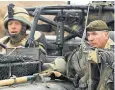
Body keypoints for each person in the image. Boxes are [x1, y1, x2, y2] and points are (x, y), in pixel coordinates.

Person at [41, 20, 114, 90]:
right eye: (88, 35)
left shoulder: (110, 54)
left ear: (106, 34)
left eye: (94, 34)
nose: (90, 38)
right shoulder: (83, 52)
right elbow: (68, 63)